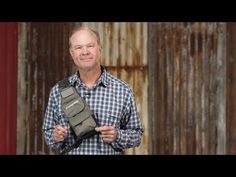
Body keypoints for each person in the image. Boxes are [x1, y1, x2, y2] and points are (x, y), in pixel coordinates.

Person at [42, 26, 143, 155]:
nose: (85, 52)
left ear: (99, 49)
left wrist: (117, 135)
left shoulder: (122, 90)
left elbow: (136, 134)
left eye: (90, 46)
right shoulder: (58, 91)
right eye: (78, 47)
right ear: (72, 53)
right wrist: (55, 136)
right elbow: (48, 132)